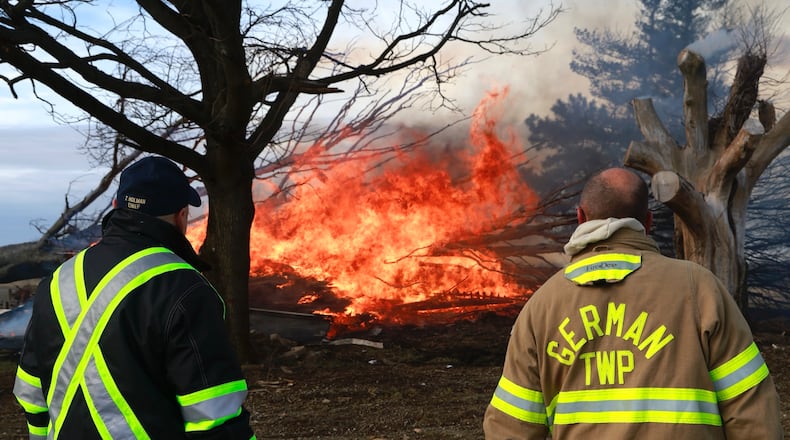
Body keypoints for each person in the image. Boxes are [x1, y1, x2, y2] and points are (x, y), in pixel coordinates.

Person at [483, 167, 783, 439]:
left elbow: (509, 429)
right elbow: (752, 410)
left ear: (580, 218)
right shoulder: (700, 288)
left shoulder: (542, 305)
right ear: (647, 222)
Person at [13, 156, 256, 439]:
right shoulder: (185, 288)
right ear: (182, 216)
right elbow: (215, 415)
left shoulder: (57, 281)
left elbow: (31, 392)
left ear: (116, 207)